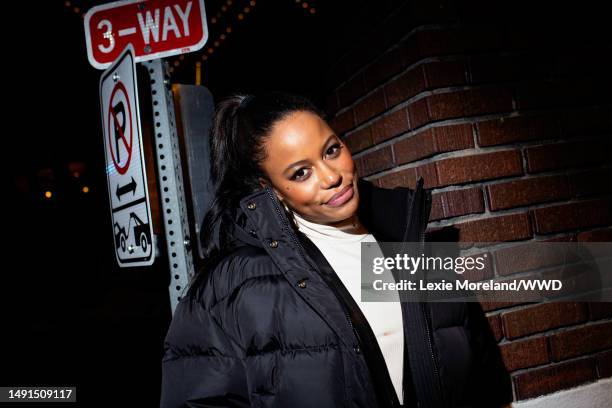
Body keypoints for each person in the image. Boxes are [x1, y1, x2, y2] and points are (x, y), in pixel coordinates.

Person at [160, 91, 512, 407]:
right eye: (301, 173)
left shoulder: (412, 243)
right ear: (270, 188)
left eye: (332, 150)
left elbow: (484, 379)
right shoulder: (229, 289)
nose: (331, 176)